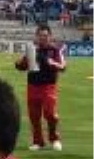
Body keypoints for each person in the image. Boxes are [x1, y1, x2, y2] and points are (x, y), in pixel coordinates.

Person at [16, 23, 66, 152]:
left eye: (45, 35)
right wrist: (20, 63)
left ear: (50, 36)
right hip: (33, 86)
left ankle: (54, 138)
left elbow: (63, 67)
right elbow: (23, 66)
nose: (43, 38)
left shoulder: (55, 50)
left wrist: (50, 62)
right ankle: (38, 141)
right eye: (40, 35)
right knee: (34, 116)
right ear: (36, 36)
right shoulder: (32, 49)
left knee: (50, 114)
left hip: (48, 86)